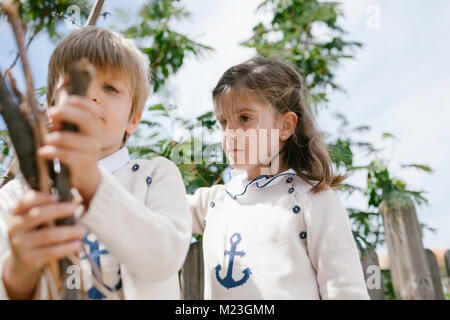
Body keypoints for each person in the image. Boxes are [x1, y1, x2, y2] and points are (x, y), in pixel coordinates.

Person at [0, 26, 192, 300]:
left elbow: (164, 258)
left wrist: (93, 183)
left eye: (111, 87)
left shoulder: (156, 176)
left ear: (133, 119)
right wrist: (19, 271)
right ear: (52, 106)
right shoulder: (16, 198)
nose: (91, 96)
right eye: (73, 84)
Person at [187, 57, 370, 299]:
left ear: (285, 126)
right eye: (223, 122)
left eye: (244, 119)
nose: (230, 134)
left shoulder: (313, 200)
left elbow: (345, 290)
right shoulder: (213, 203)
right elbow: (148, 211)